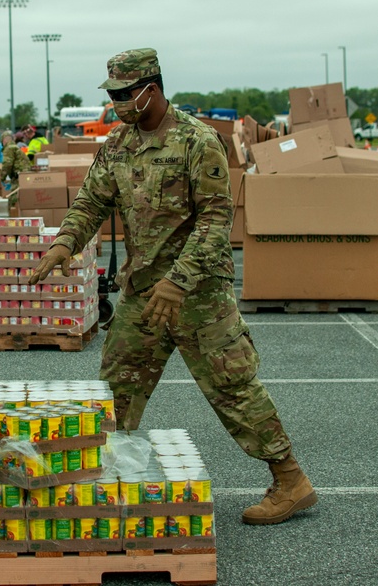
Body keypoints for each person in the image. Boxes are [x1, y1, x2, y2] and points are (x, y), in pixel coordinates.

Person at [29, 48, 316, 526]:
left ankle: (291, 482)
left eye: (125, 94)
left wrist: (178, 282)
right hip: (144, 292)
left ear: (152, 89)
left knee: (233, 387)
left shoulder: (196, 141)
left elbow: (217, 219)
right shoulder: (119, 145)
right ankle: (104, 478)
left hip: (198, 294)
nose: (118, 104)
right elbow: (91, 202)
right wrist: (65, 243)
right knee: (116, 386)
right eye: (113, 95)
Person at [0, 131, 30, 209]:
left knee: (14, 198)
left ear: (4, 140)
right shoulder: (15, 147)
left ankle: (14, 214)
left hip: (18, 176)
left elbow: (7, 164)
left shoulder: (9, 148)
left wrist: (2, 177)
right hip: (24, 175)